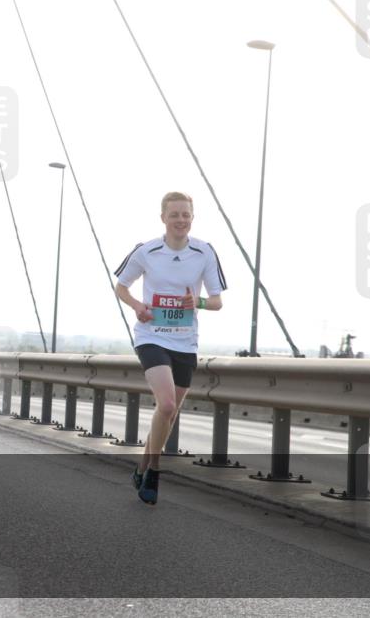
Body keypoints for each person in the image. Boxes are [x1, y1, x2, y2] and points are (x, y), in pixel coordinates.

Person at [114, 191, 226, 505]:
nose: (180, 220)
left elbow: (217, 301)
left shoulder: (204, 252)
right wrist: (137, 305)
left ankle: (141, 467)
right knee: (165, 406)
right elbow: (121, 286)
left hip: (185, 342)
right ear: (163, 217)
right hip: (151, 337)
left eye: (186, 215)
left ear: (193, 217)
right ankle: (155, 472)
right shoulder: (146, 251)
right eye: (174, 214)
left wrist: (199, 302)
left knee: (169, 413)